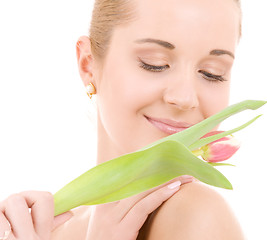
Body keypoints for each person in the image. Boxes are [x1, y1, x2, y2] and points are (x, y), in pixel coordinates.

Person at [0, 0, 245, 239]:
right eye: (155, 64)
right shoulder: (42, 229)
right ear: (89, 65)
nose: (184, 98)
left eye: (213, 74)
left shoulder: (196, 214)